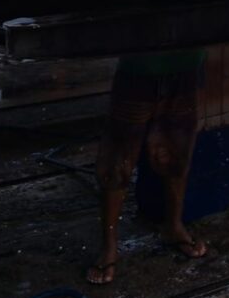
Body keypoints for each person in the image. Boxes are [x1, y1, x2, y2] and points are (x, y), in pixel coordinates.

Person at [87, 48, 210, 285]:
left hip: (186, 66)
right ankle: (109, 245)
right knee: (117, 159)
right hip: (137, 70)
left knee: (177, 152)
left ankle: (174, 225)